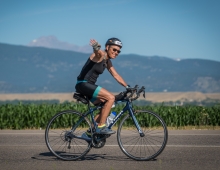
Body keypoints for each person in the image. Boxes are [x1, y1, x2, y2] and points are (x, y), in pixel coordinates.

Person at [75, 37, 130, 135]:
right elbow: (97, 53)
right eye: (114, 49)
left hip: (89, 86)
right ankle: (101, 127)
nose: (116, 52)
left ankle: (90, 133)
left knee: (105, 108)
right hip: (83, 84)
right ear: (107, 47)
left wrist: (128, 87)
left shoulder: (107, 61)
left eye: (118, 51)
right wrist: (96, 47)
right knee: (110, 98)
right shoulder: (101, 55)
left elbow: (116, 75)